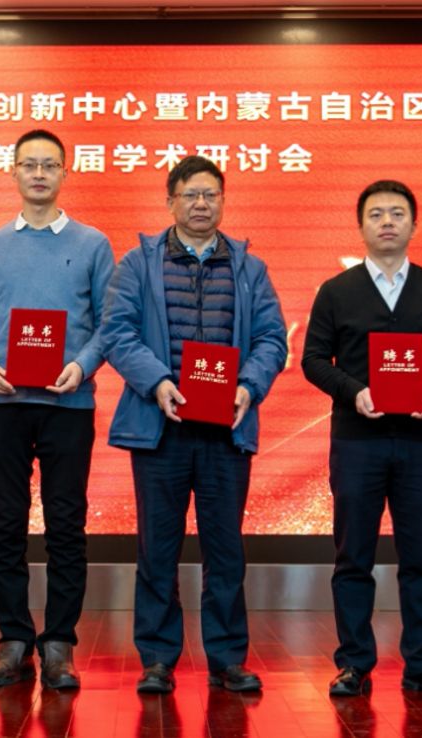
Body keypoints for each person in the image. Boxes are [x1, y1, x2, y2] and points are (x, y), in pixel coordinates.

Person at [102, 155, 288, 694]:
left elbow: (272, 339)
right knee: (157, 548)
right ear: (170, 202)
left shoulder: (250, 269)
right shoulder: (138, 264)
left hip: (226, 429)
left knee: (225, 550)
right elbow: (117, 332)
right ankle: (158, 658)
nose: (201, 204)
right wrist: (157, 381)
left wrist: (248, 387)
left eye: (210, 195)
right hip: (160, 427)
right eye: (190, 195)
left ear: (223, 201)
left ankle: (227, 658)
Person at [0, 129, 115, 689]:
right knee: (5, 523)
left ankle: (59, 642)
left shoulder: (94, 243)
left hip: (68, 403)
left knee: (66, 524)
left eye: (50, 164)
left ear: (65, 172)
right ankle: (14, 639)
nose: (40, 173)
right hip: (0, 403)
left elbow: (109, 324)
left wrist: (84, 365)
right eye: (30, 164)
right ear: (14, 172)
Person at [301, 180, 422, 698]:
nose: (388, 222)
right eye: (376, 214)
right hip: (357, 441)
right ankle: (354, 662)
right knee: (353, 555)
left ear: (414, 224)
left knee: (421, 556)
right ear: (361, 226)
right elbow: (313, 359)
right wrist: (354, 392)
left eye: (398, 213)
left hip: (420, 442)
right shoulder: (337, 290)